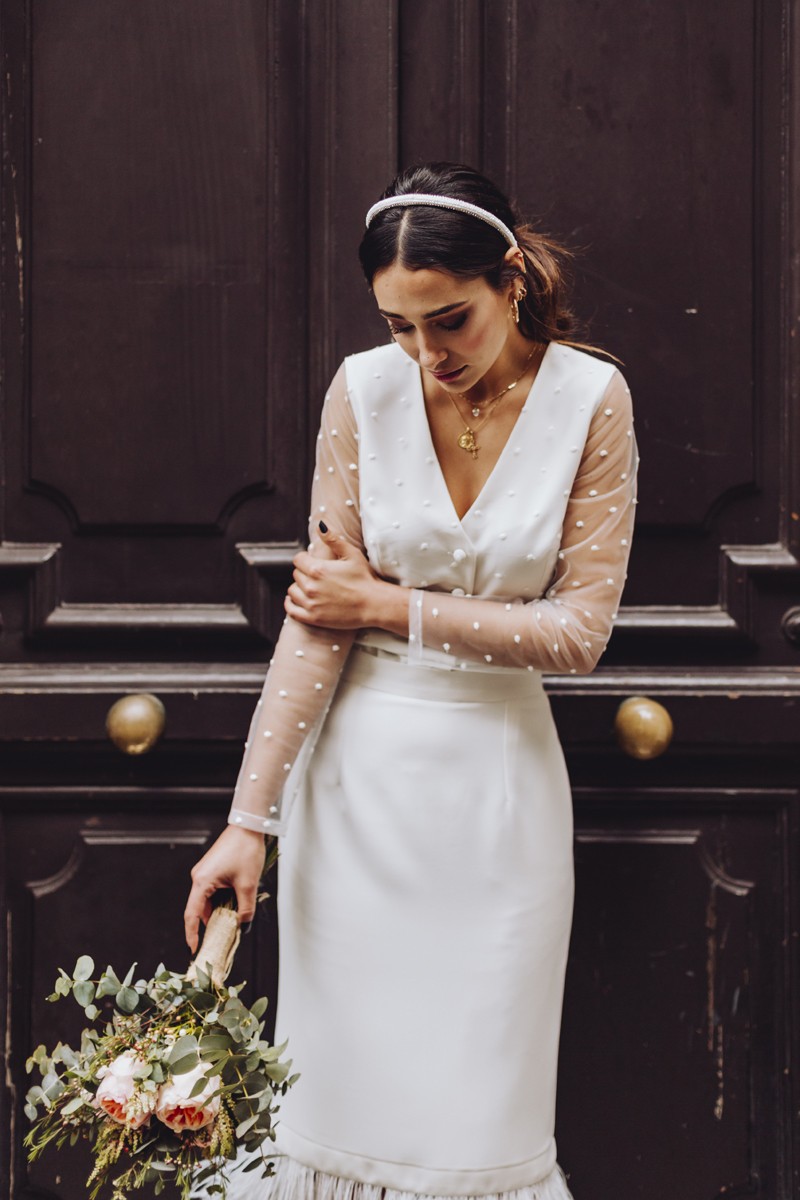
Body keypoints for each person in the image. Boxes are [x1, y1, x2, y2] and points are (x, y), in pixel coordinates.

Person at [185, 162, 638, 1200]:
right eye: (399, 326)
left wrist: (388, 606)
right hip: (355, 795)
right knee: (332, 1113)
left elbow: (578, 634)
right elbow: (316, 625)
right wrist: (248, 824)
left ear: (510, 278)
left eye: (449, 320)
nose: (427, 353)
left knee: (480, 1119)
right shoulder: (362, 391)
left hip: (498, 801)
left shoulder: (591, 400)